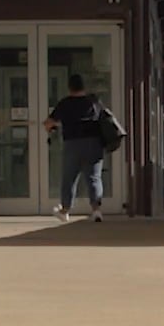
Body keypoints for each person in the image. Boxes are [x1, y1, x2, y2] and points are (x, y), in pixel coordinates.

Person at [42, 73, 106, 222]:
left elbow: (48, 123)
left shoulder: (65, 103)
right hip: (94, 143)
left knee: (69, 178)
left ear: (69, 87)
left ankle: (65, 210)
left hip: (73, 143)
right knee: (94, 177)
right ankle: (96, 210)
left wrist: (57, 125)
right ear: (84, 86)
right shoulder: (94, 101)